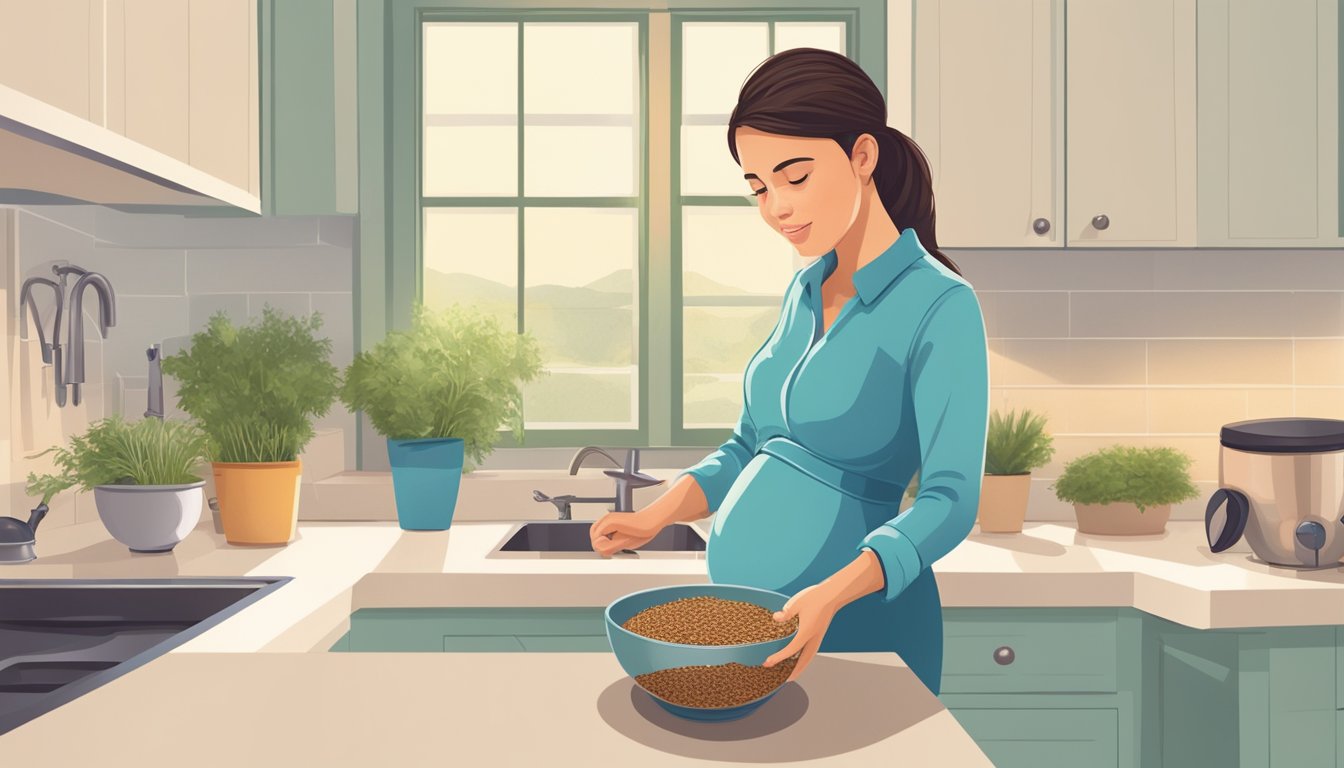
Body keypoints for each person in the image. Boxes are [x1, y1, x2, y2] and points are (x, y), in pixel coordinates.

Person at [589, 47, 989, 697]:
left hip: (861, 630)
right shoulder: (804, 291)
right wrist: (654, 515)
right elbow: (750, 447)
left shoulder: (941, 305)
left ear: (862, 157)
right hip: (752, 638)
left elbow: (950, 502)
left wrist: (830, 594)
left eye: (795, 176)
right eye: (758, 187)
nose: (776, 206)